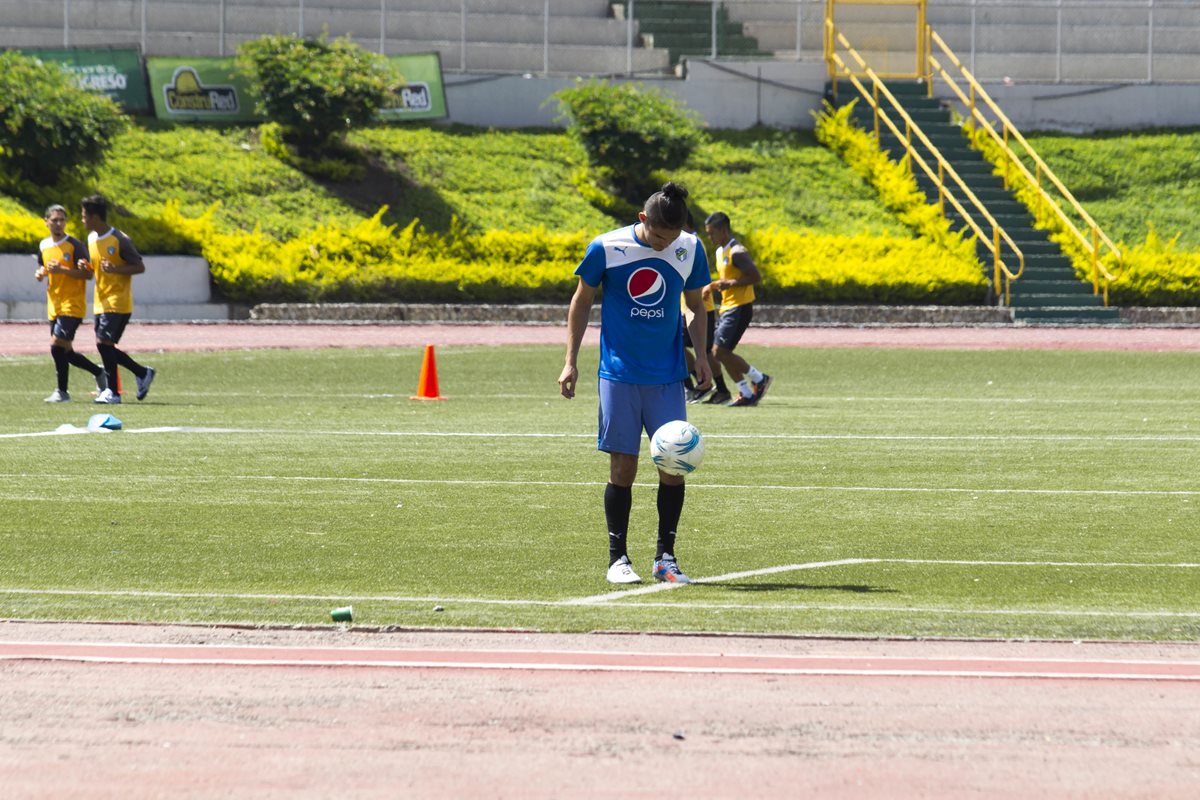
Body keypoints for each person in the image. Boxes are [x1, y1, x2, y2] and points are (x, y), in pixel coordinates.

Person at [559, 182, 712, 585]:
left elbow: (695, 306)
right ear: (643, 220)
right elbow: (581, 300)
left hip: (666, 377)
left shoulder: (690, 248)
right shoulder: (606, 247)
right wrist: (570, 361)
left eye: (673, 238)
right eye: (660, 237)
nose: (666, 246)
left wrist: (703, 356)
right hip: (619, 375)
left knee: (673, 466)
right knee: (622, 467)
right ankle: (618, 559)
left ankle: (666, 558)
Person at [82, 194, 155, 404]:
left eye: (84, 216)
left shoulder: (119, 239)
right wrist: (86, 267)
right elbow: (96, 269)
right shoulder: (91, 239)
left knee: (103, 343)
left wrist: (116, 269)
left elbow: (139, 266)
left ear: (95, 217)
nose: (82, 220)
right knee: (105, 346)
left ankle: (113, 392)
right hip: (100, 300)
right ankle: (141, 373)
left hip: (118, 301)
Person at [34, 204, 107, 403]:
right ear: (46, 221)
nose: (58, 224)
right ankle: (99, 372)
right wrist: (41, 273)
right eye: (55, 220)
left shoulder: (75, 245)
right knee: (65, 351)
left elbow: (87, 274)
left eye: (62, 220)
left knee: (56, 345)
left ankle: (62, 392)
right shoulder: (44, 245)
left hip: (72, 304)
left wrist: (63, 271)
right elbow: (43, 266)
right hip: (54, 304)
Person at [704, 211, 772, 407]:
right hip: (727, 307)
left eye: (712, 233)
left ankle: (759, 379)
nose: (710, 238)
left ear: (723, 230)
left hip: (740, 307)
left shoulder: (737, 252)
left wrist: (731, 283)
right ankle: (745, 393)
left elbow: (755, 277)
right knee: (721, 352)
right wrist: (712, 286)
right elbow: (728, 279)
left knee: (718, 352)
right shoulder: (720, 252)